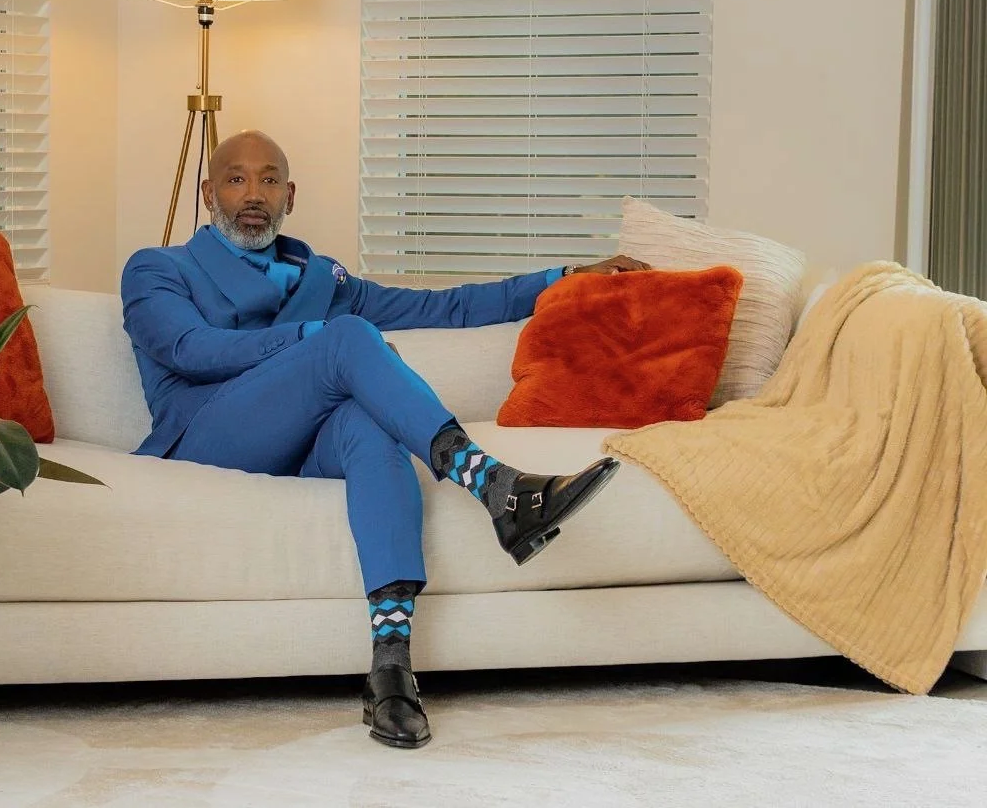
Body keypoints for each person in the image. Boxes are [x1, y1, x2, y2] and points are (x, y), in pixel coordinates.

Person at [121, 130, 650, 749]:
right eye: (236, 179)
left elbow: (442, 308)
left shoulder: (320, 278)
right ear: (209, 192)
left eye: (269, 179)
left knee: (370, 426)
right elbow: (189, 350)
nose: (253, 193)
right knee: (347, 340)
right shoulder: (157, 267)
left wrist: (565, 278)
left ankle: (391, 669)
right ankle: (494, 484)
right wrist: (319, 340)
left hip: (303, 444)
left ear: (290, 194)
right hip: (207, 436)